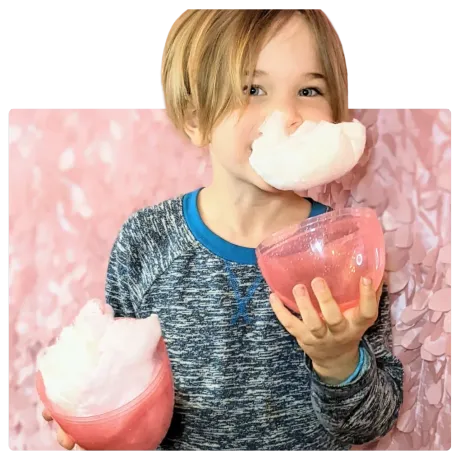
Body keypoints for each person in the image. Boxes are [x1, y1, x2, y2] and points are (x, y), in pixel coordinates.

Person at [43, 8, 404, 452]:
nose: (286, 114)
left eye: (309, 89)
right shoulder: (147, 244)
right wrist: (90, 414)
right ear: (196, 119)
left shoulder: (344, 246)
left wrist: (338, 358)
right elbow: (125, 387)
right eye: (253, 89)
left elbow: (372, 422)